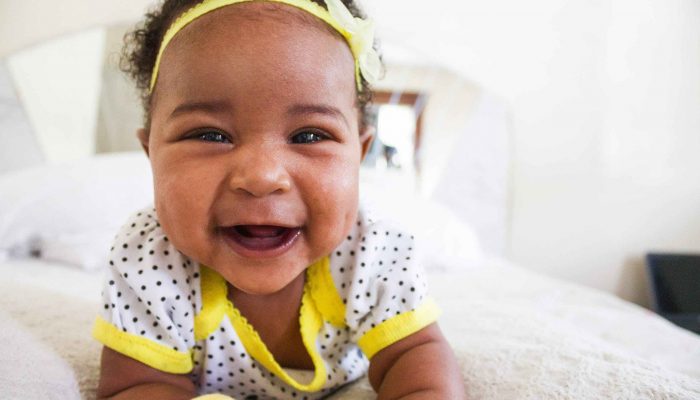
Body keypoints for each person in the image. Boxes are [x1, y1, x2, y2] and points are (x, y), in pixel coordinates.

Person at [93, 0, 466, 399]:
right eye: (210, 135)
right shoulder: (149, 258)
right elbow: (137, 386)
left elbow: (416, 358)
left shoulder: (373, 251)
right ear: (151, 154)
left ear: (359, 155)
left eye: (309, 136)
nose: (261, 177)